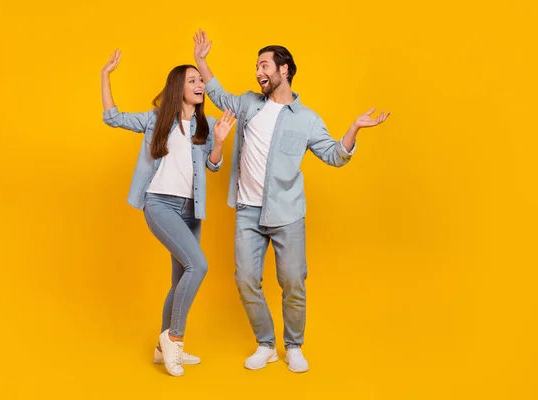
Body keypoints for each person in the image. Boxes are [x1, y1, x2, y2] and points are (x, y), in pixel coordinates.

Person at [193, 30, 390, 373]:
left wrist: (354, 128)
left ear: (284, 70)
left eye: (264, 65)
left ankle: (294, 345)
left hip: (287, 214)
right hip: (247, 212)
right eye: (256, 65)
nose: (258, 71)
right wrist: (201, 62)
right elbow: (219, 95)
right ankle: (266, 343)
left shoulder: (307, 119)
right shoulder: (249, 103)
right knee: (245, 279)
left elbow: (334, 155)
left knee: (293, 282)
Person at [101, 48, 236, 377]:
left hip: (192, 210)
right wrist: (105, 75)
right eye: (193, 80)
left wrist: (218, 142)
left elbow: (214, 167)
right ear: (179, 87)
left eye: (201, 79)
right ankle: (174, 338)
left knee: (180, 281)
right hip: (159, 204)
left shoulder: (208, 124)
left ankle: (163, 351)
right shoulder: (156, 120)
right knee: (199, 265)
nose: (200, 84)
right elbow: (112, 118)